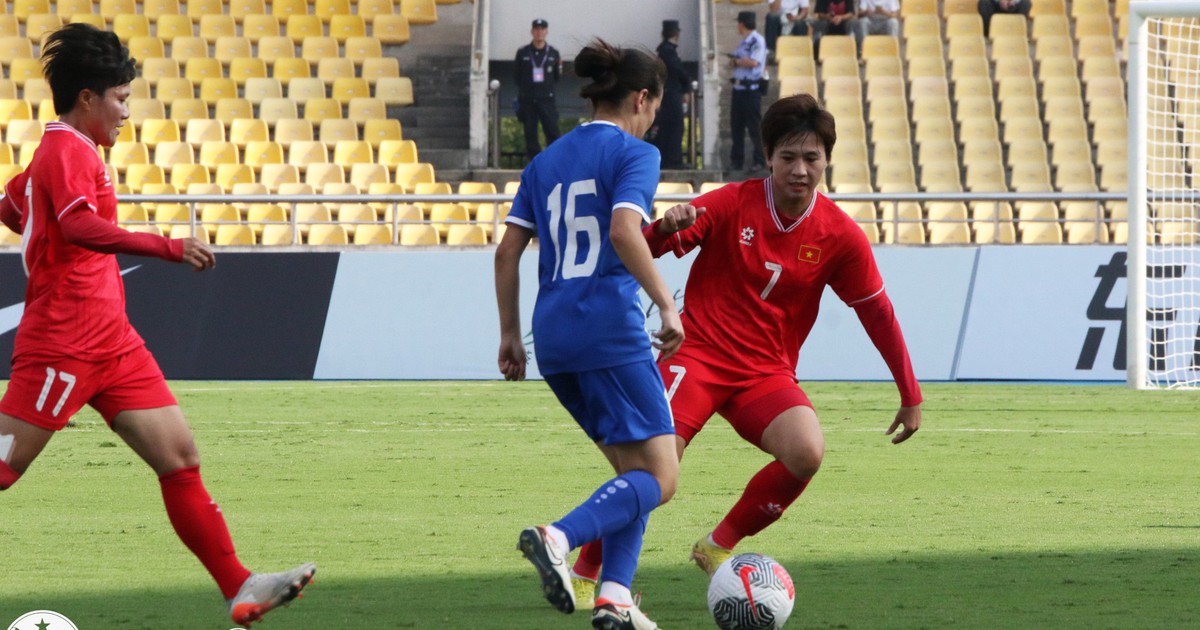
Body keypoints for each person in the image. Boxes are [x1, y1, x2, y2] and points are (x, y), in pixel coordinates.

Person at [0, 23, 314, 628]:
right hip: (63, 343)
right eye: (119, 98)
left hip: (113, 343)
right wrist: (166, 247)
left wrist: (32, 208)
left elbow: (18, 209)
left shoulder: (62, 154)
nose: (126, 112)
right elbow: (76, 227)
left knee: (179, 456)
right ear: (87, 97)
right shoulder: (66, 151)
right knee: (5, 469)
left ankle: (239, 587)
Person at [568, 93, 923, 599]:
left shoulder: (841, 235)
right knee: (651, 470)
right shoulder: (732, 201)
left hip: (765, 374)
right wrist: (663, 229)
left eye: (812, 158)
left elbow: (876, 311)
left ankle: (717, 546)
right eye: (788, 157)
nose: (800, 170)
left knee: (806, 452)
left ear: (827, 160)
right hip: (697, 356)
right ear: (768, 157)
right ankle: (585, 572)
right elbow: (642, 250)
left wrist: (910, 393)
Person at [495, 38, 682, 630]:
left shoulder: (545, 161)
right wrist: (666, 304)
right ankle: (558, 537)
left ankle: (615, 597)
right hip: (608, 328)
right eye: (656, 105)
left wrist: (509, 336)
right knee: (661, 475)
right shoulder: (635, 154)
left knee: (633, 475)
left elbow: (507, 253)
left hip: (551, 337)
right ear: (643, 98)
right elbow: (626, 231)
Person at [514, 18, 563, 162]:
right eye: (536, 29)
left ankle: (555, 161)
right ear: (532, 31)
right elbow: (517, 76)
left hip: (546, 99)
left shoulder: (553, 53)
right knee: (530, 133)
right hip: (528, 99)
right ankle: (534, 163)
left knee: (552, 131)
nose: (539, 32)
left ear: (546, 32)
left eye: (542, 29)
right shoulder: (523, 52)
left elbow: (556, 77)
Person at [650, 19, 693, 170]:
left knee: (670, 126)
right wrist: (687, 84)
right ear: (676, 34)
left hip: (668, 93)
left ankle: (671, 159)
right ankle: (673, 160)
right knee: (675, 126)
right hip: (671, 93)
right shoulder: (668, 51)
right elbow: (678, 71)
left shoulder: (665, 50)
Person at [729, 11, 768, 173]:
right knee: (736, 127)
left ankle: (759, 160)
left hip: (751, 90)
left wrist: (736, 61)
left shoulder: (757, 40)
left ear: (742, 24)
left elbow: (753, 62)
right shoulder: (744, 41)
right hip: (738, 89)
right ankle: (737, 161)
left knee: (754, 128)